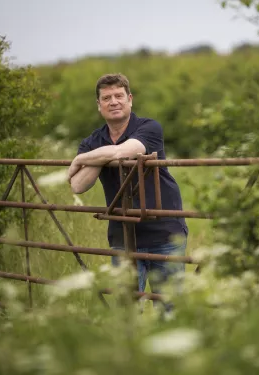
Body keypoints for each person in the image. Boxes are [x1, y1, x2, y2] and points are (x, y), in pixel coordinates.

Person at [67, 73, 188, 303]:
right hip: (123, 236)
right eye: (106, 98)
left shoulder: (149, 128)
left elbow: (123, 151)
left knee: (171, 310)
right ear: (99, 105)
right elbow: (78, 185)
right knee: (127, 314)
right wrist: (102, 156)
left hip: (163, 233)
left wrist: (81, 159)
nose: (113, 101)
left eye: (119, 96)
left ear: (130, 99)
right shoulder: (95, 140)